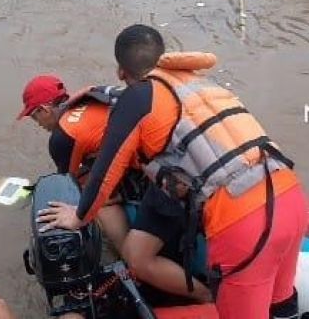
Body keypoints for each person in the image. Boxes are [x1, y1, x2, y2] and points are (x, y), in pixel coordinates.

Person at [37, 24, 308, 319]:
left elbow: (105, 172)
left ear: (120, 72)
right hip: (291, 198)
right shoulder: (202, 84)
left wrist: (77, 217)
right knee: (283, 305)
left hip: (244, 223)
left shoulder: (138, 96)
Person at [16, 74, 135, 255]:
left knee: (99, 203)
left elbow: (66, 186)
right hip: (144, 139)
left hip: (139, 163)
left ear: (44, 110)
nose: (38, 124)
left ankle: (130, 259)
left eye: (34, 117)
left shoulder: (62, 138)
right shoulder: (90, 96)